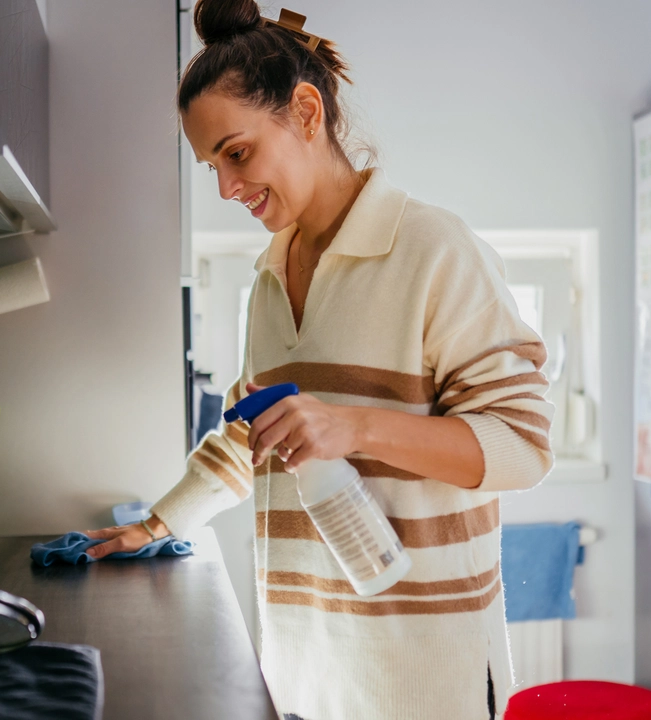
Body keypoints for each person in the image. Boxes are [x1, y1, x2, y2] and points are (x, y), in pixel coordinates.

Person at [83, 1, 553, 717]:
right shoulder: (270, 276)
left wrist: (354, 426)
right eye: (212, 165)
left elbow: (523, 448)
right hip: (305, 672)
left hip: (424, 683)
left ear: (306, 112)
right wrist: (157, 525)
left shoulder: (434, 250)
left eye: (236, 154)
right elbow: (256, 435)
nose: (226, 188)